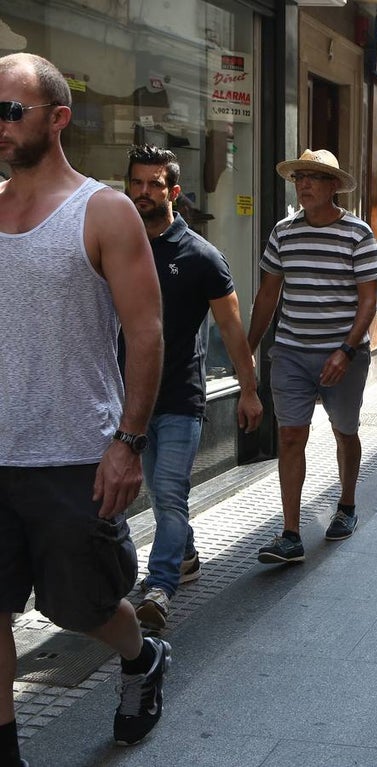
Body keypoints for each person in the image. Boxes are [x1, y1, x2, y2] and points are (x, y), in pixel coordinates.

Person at [0, 52, 170, 755]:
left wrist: (128, 441)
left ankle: (141, 656)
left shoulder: (102, 210)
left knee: (82, 607)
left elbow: (147, 332)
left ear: (58, 118)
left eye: (11, 111)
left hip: (76, 451)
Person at [125, 145, 263, 631]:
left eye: (154, 184)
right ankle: (183, 557)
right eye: (137, 183)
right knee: (162, 498)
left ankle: (159, 588)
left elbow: (231, 328)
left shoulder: (202, 256)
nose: (144, 192)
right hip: (129, 401)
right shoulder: (119, 244)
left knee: (168, 491)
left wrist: (248, 390)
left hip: (182, 396)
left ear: (174, 192)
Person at [247, 149, 377, 565]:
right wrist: (247, 348)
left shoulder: (357, 234)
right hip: (289, 352)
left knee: (345, 430)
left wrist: (346, 349)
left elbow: (368, 301)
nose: (303, 185)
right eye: (299, 178)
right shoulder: (284, 232)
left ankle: (346, 505)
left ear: (333, 186)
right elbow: (268, 294)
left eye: (313, 178)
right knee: (291, 435)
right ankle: (290, 534)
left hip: (343, 355)